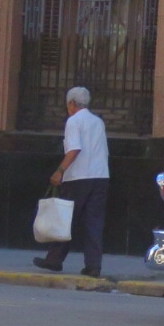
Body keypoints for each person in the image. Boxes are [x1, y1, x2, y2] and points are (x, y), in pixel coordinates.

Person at [32, 87, 109, 278]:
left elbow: (74, 149)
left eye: (68, 104)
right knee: (94, 223)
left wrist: (60, 171)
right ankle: (93, 266)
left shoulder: (74, 121)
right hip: (100, 176)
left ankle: (54, 259)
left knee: (66, 219)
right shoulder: (98, 122)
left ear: (72, 103)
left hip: (78, 177)